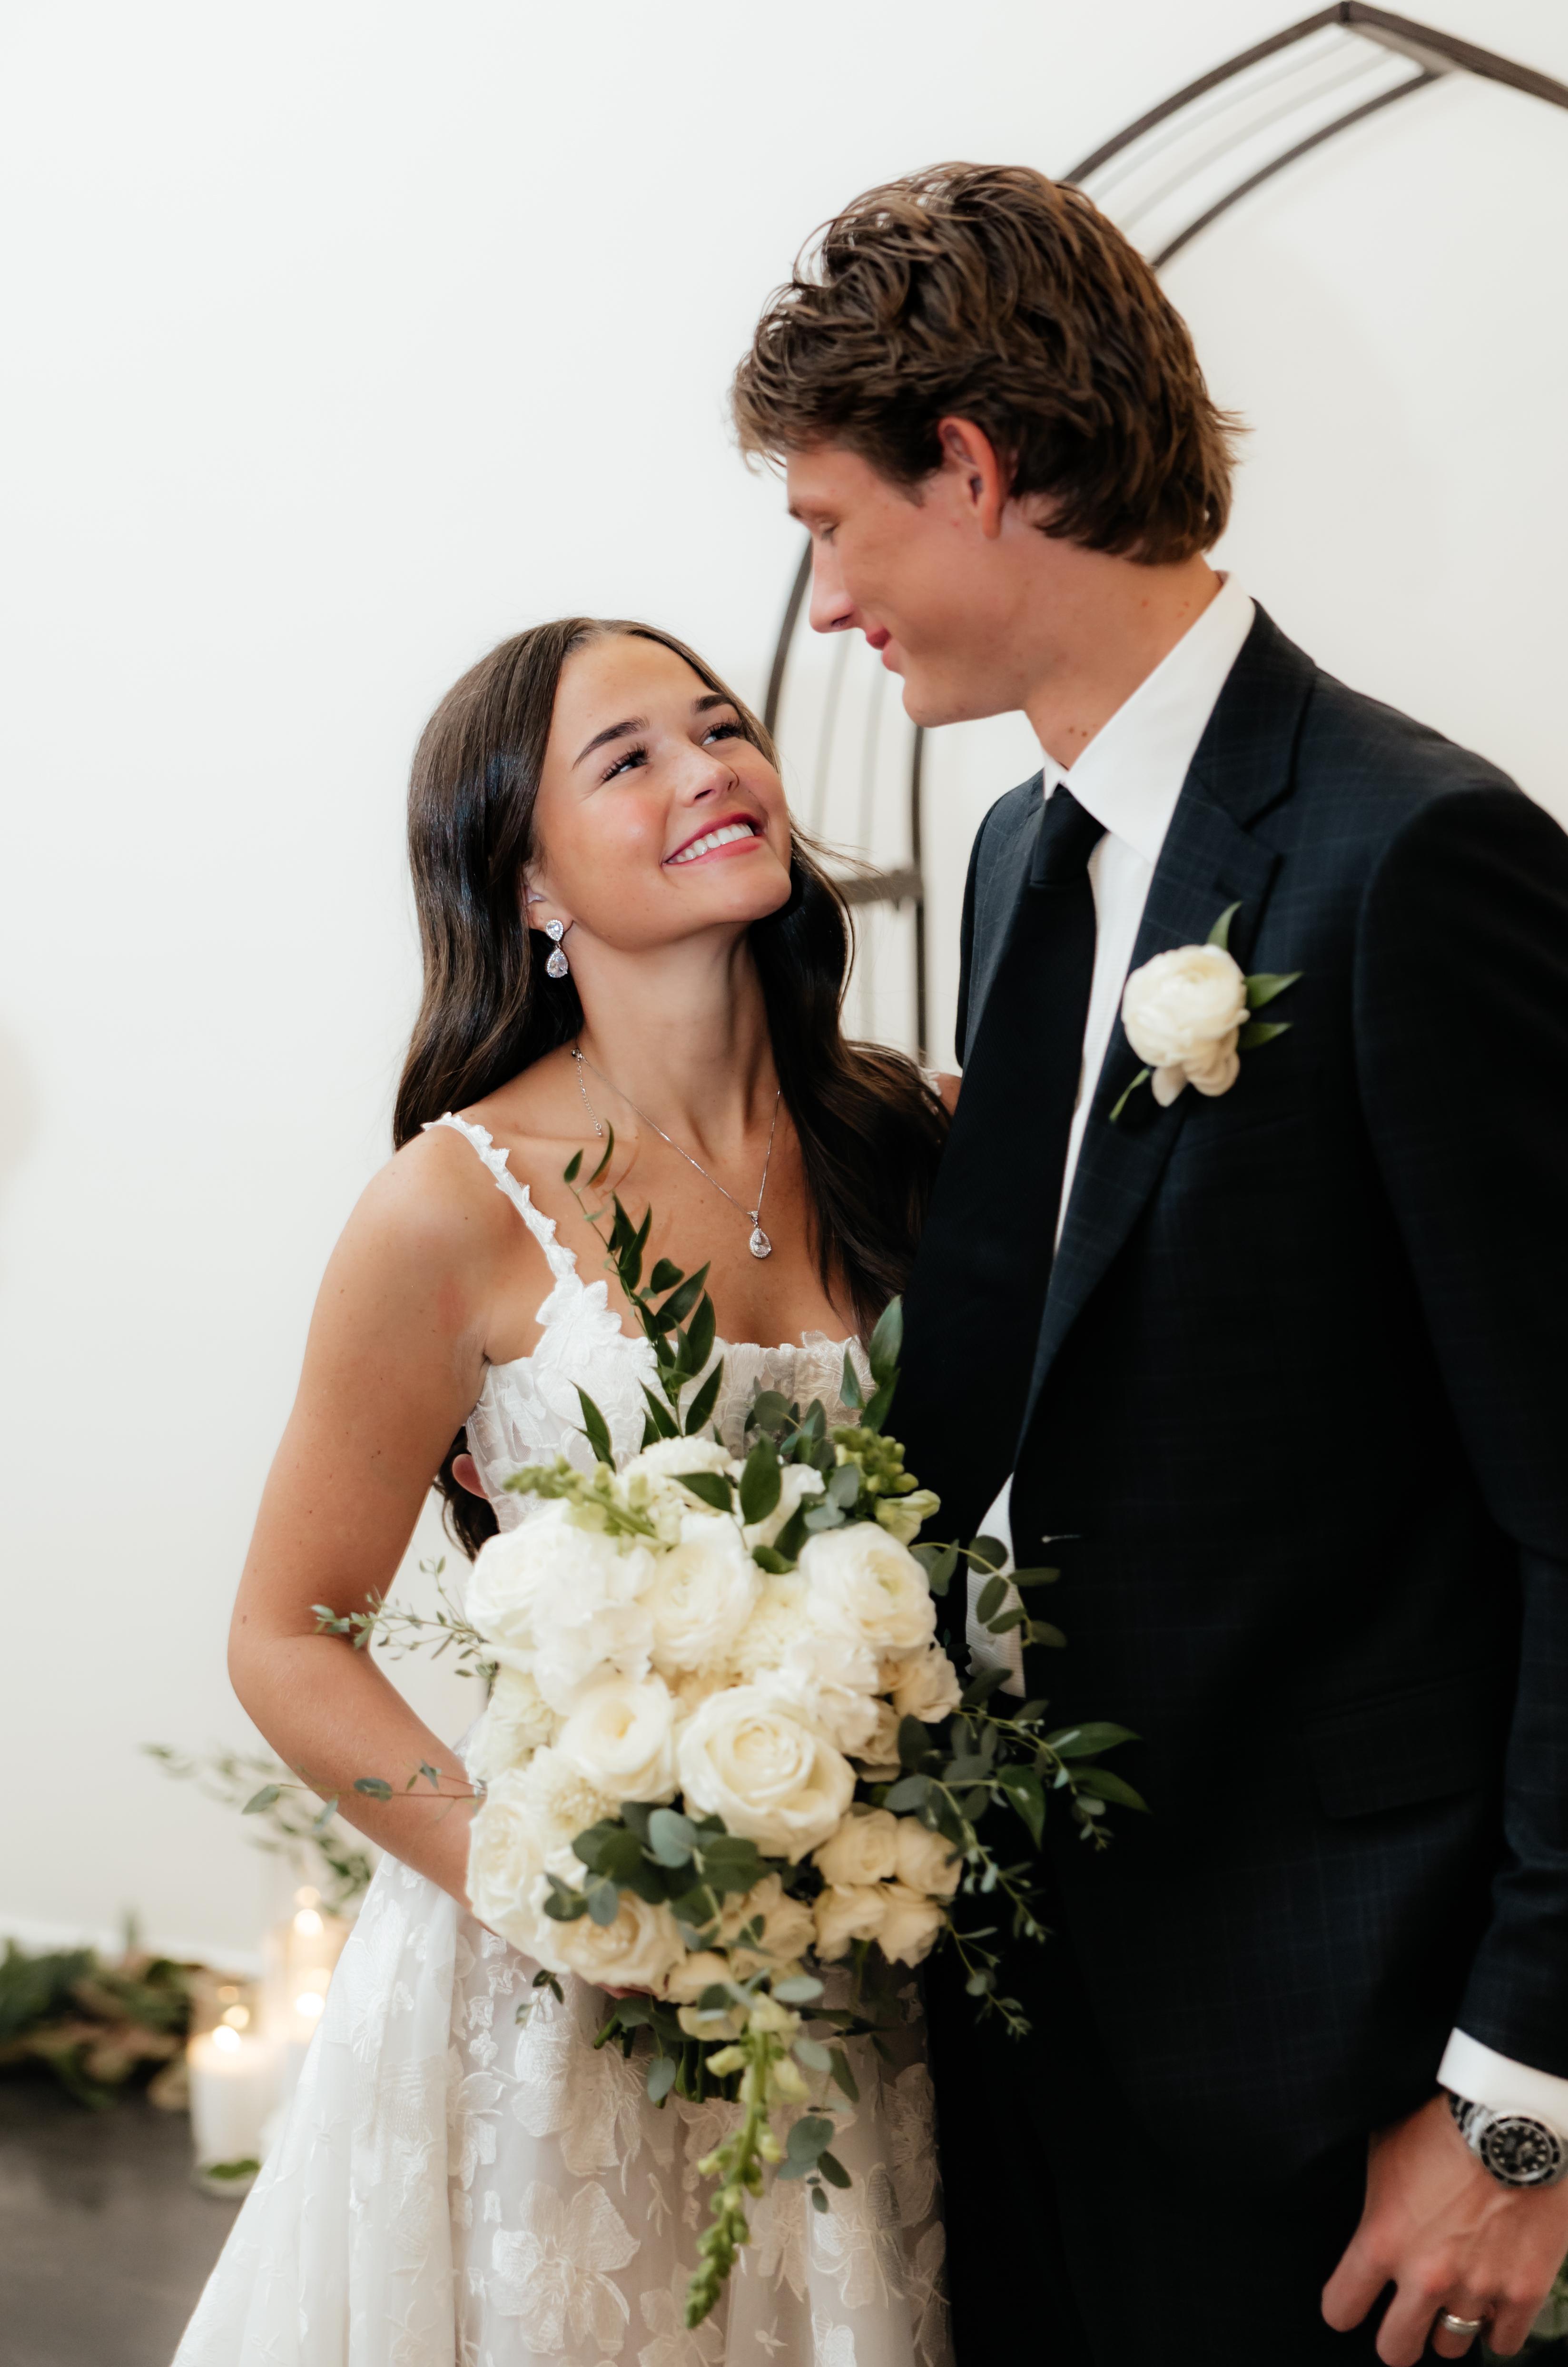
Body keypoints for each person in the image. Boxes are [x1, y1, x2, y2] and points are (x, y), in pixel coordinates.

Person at [732, 162, 1568, 2365]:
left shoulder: (1416, 856)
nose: (826, 599)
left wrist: (1514, 2100)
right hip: (1010, 2006)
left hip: (1341, 2056)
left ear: (971, 467)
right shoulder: (1023, 848)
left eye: (831, 525)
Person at [172, 618, 954, 2367]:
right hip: (556, 1998)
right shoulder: (451, 1208)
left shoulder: (911, 1139)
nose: (711, 772)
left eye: (722, 728)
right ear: (527, 884)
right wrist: (545, 1891)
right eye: (630, 758)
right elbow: (285, 1636)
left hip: (858, 1960)